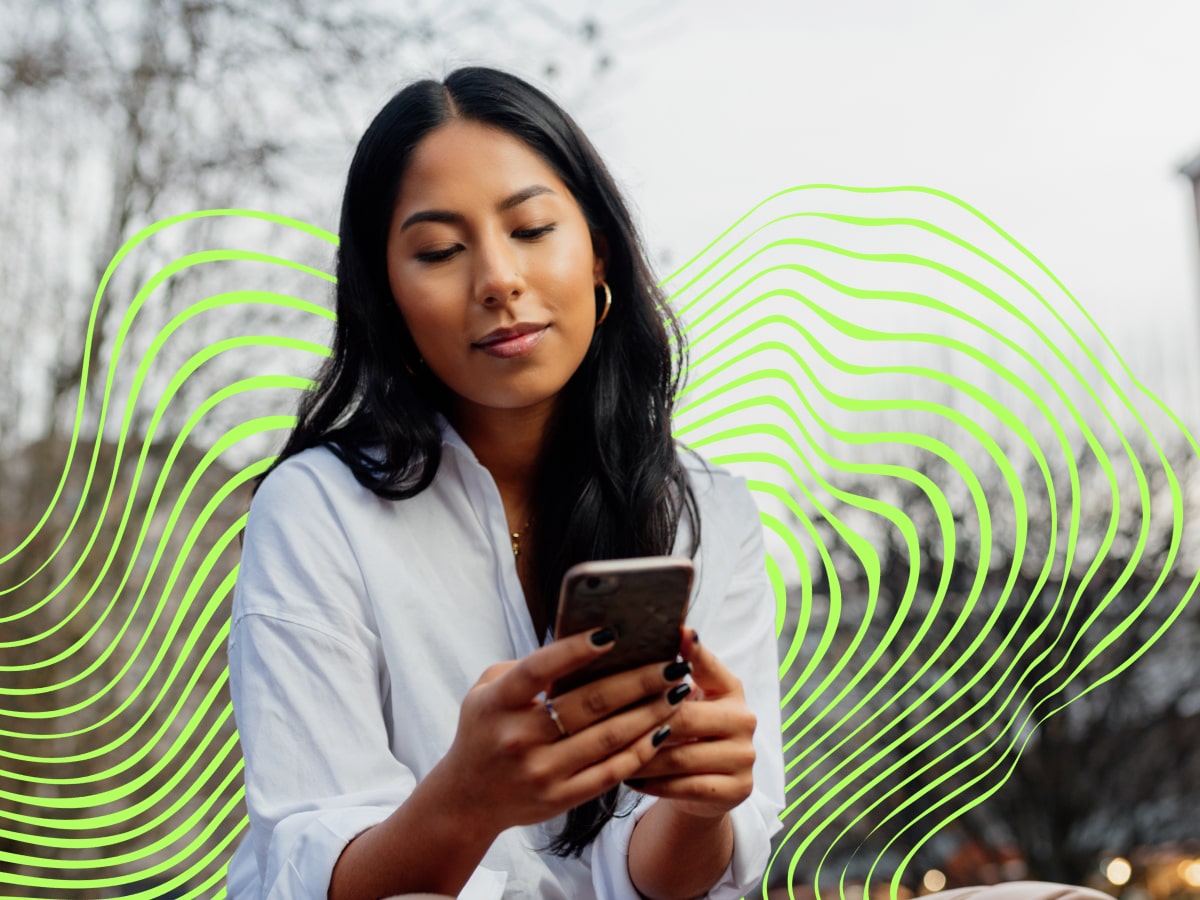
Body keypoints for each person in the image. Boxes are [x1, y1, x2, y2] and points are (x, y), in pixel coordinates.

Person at [225, 66, 785, 900]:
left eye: (530, 228)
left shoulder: (706, 514)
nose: (496, 280)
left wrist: (702, 806)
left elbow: (670, 882)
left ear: (599, 251)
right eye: (440, 251)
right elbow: (314, 868)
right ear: (389, 297)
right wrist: (467, 797)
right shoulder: (316, 511)